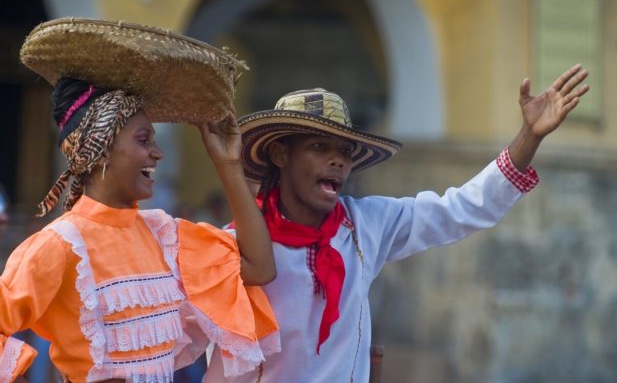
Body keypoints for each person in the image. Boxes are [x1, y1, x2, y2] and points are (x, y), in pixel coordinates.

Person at [203, 64, 590, 382]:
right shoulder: (237, 248)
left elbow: (460, 209)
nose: (337, 161)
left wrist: (529, 136)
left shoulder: (365, 223)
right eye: (319, 147)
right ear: (280, 155)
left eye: (345, 151)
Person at [0, 19, 279, 382]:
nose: (158, 153)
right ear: (99, 150)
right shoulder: (61, 245)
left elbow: (258, 268)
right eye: (144, 140)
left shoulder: (164, 235)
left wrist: (227, 164)